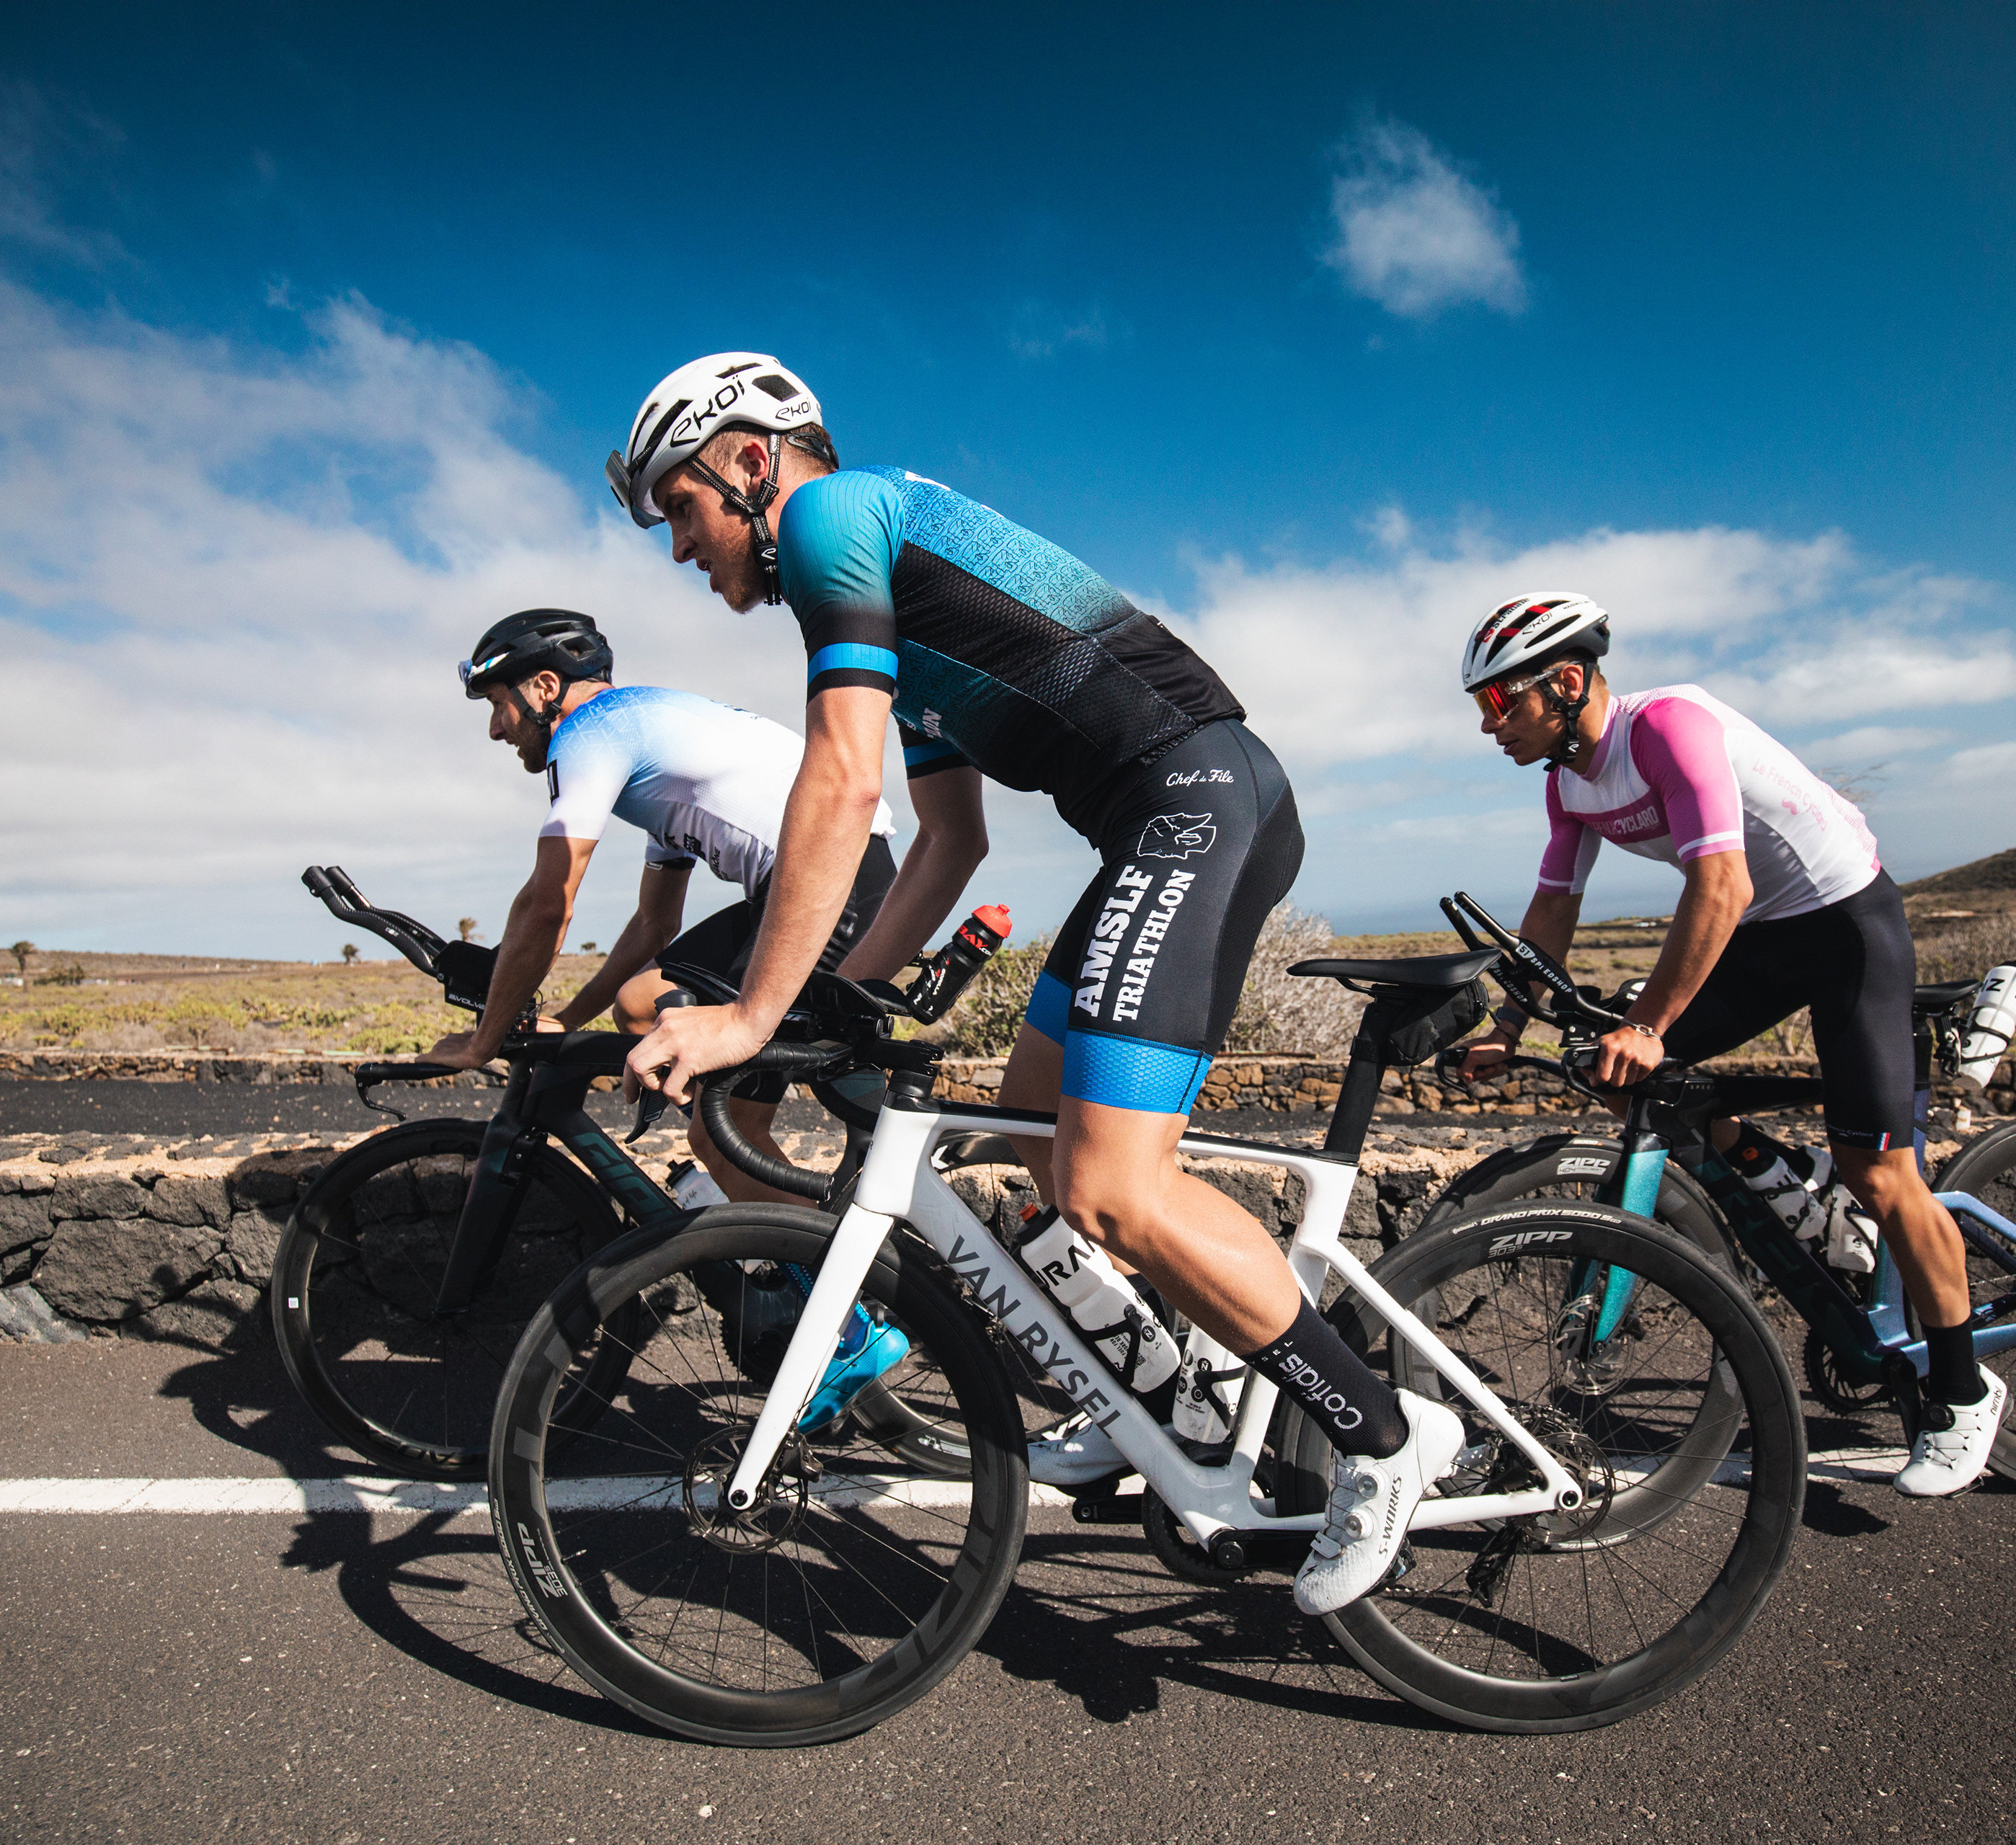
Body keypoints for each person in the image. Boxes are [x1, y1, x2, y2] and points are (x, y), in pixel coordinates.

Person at [605, 351, 1465, 1614]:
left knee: (1116, 1186)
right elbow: (948, 843)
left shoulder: (834, 518)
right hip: (1158, 826)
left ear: (749, 460)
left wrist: (753, 1013)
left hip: (1197, 801)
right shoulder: (886, 605)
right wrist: (842, 995)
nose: (681, 546)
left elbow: (837, 785)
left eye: (681, 509)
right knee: (1034, 1143)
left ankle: (1384, 1438)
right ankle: (1158, 1403)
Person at [1449, 591, 2007, 1495]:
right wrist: (1507, 1024)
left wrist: (1649, 1024)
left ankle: (1964, 1390)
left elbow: (1721, 885)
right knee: (1628, 1080)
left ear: (1567, 681)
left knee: (1880, 1173)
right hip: (1761, 940)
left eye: (1500, 701)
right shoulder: (1568, 784)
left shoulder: (1668, 728)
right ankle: (1799, 1192)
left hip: (1845, 927)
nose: (1489, 724)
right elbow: (1553, 908)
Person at [425, 607, 900, 1205]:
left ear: (545, 687)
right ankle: (758, 1188)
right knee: (639, 1001)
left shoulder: (588, 733)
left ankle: (822, 1257)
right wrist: (569, 1019)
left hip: (835, 889)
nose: (496, 729)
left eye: (498, 704)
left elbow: (547, 904)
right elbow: (655, 923)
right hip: (838, 879)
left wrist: (482, 1042)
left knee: (723, 1138)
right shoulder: (647, 736)